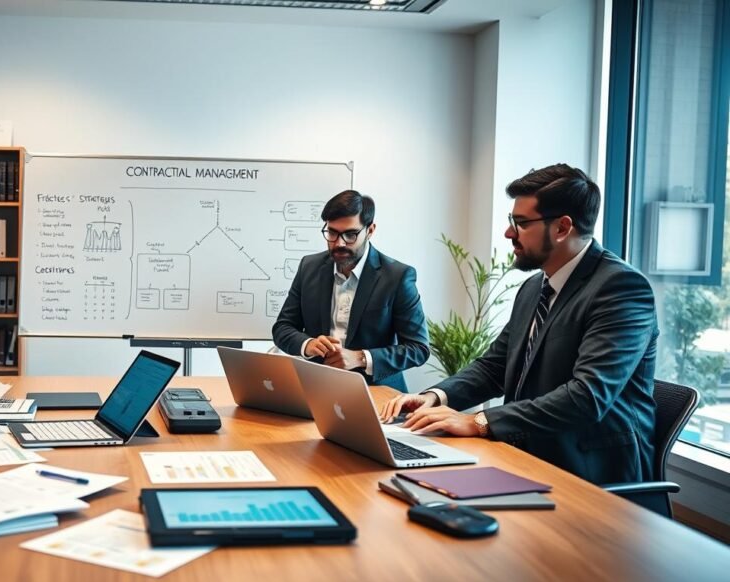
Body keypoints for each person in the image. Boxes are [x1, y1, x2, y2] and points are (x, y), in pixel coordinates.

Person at [380, 164, 658, 485]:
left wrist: (479, 422)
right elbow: (494, 367)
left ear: (562, 228)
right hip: (525, 453)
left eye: (521, 223)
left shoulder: (621, 288)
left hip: (590, 473)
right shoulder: (533, 288)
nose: (509, 233)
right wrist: (436, 397)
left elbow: (587, 396)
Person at [272, 190, 430, 390]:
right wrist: (308, 344)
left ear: (370, 230)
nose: (339, 243)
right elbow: (283, 328)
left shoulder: (398, 276)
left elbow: (418, 349)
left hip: (377, 393)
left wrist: (361, 358)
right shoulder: (309, 267)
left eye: (350, 234)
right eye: (331, 232)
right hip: (316, 388)